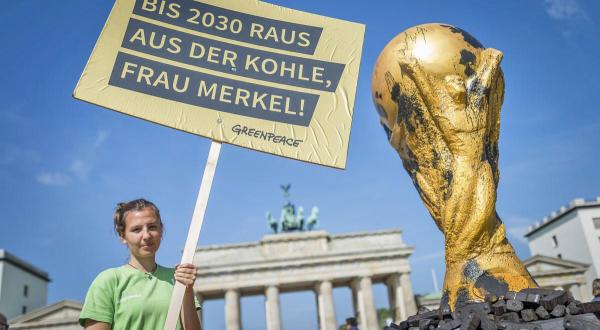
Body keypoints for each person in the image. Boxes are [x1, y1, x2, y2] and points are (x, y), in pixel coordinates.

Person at [79, 199, 201, 330]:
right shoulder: (108, 281)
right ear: (122, 236)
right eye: (136, 230)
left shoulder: (178, 278)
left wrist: (187, 291)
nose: (147, 235)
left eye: (152, 227)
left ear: (161, 229)